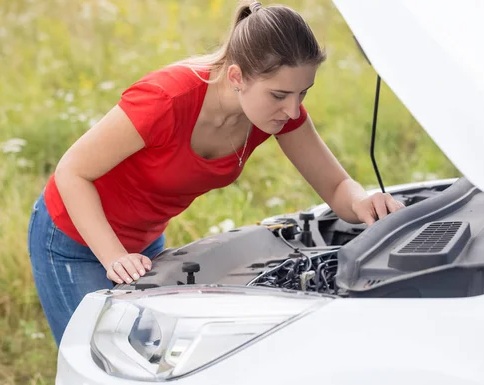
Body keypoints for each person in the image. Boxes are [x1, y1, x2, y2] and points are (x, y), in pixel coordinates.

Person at [27, 0, 404, 347]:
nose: (292, 111)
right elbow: (72, 171)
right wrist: (112, 257)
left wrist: (365, 202)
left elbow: (337, 186)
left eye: (302, 93)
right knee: (103, 357)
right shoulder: (166, 100)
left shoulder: (272, 113)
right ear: (237, 76)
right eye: (279, 95)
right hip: (73, 239)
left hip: (142, 244)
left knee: (152, 357)